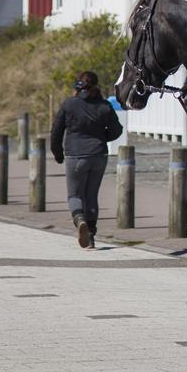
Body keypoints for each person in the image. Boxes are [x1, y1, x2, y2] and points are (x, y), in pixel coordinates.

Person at [50, 71, 124, 249]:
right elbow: (117, 130)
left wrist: (57, 153)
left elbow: (56, 132)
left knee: (75, 195)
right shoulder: (105, 106)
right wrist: (101, 138)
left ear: (78, 86)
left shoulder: (69, 104)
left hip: (75, 155)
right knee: (91, 195)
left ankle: (79, 219)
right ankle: (90, 236)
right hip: (98, 155)